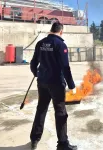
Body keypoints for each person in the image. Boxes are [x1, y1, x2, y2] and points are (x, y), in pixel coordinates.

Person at [30, 22, 77, 150]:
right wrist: (72, 85)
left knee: (41, 109)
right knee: (60, 112)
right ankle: (62, 144)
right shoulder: (60, 45)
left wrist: (37, 74)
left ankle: (34, 139)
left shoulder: (40, 43)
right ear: (61, 31)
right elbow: (65, 67)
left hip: (42, 82)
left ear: (51, 30)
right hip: (56, 83)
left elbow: (33, 63)